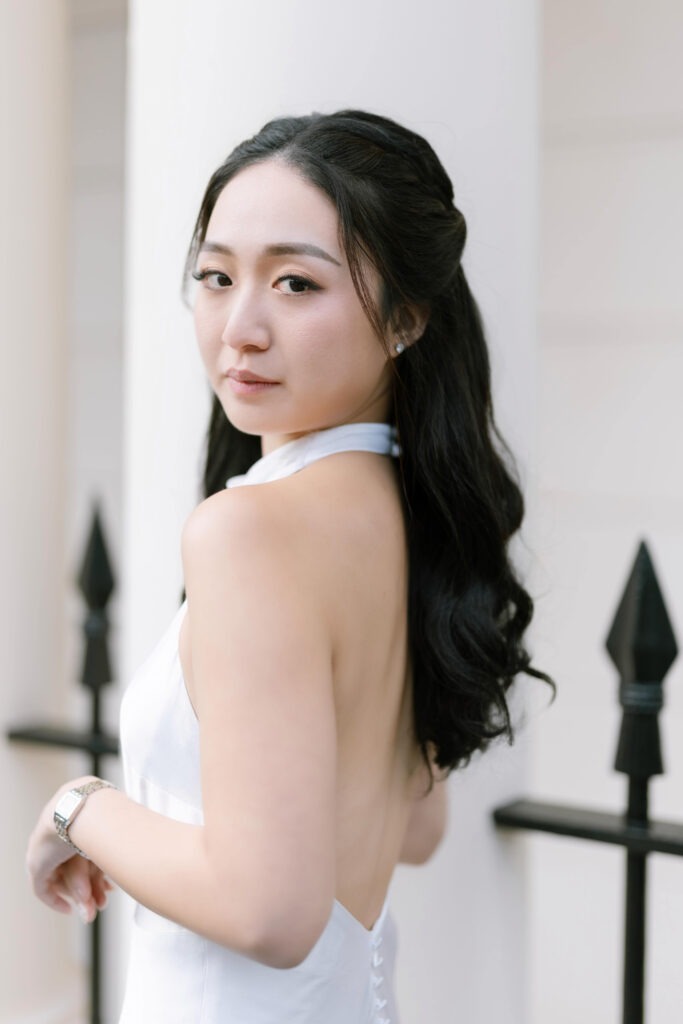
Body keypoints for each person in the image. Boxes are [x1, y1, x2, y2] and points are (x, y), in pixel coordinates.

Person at [26, 109, 554, 1023]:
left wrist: (80, 809)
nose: (240, 326)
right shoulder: (409, 517)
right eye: (217, 276)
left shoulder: (254, 530)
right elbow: (414, 827)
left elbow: (270, 911)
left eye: (296, 283)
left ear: (406, 318)